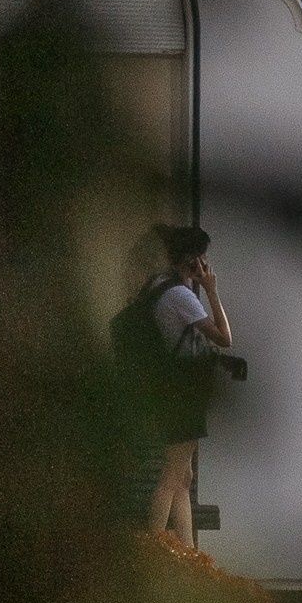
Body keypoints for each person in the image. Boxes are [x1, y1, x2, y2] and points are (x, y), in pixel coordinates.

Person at [112, 222, 245, 543]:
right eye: (203, 257)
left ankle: (187, 551)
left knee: (183, 476)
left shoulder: (158, 285)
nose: (206, 264)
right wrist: (211, 290)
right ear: (193, 259)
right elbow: (224, 338)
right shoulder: (181, 296)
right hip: (183, 392)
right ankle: (155, 547)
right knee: (173, 477)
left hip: (170, 389)